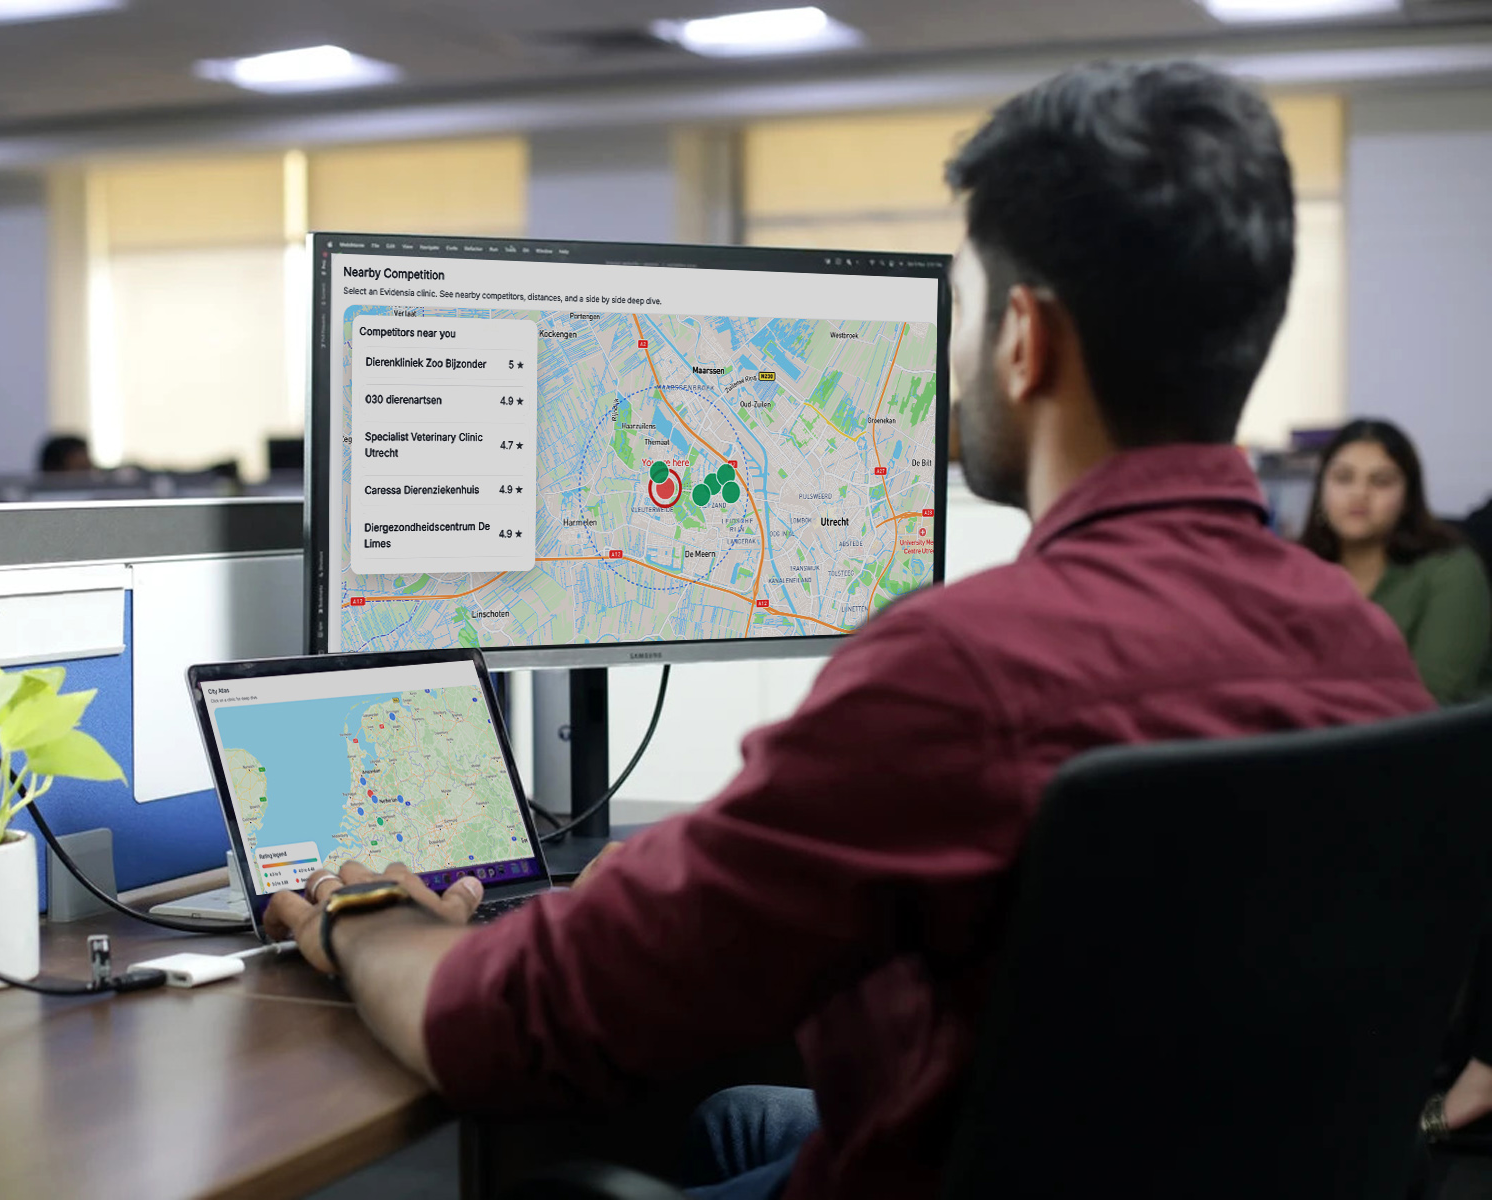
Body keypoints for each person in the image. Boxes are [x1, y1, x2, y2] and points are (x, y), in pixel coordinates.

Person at [266, 62, 1435, 1200]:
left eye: (964, 311)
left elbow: (518, 1029)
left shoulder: (963, 674)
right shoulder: (1359, 645)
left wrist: (372, 921)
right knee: (735, 1120)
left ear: (1023, 339)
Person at [1299, 419, 1492, 705]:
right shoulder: (1295, 571)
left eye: (1381, 481)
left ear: (1407, 499)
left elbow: (1435, 697)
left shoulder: (1451, 570)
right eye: (1343, 478)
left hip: (1426, 745)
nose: (1359, 494)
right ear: (1320, 491)